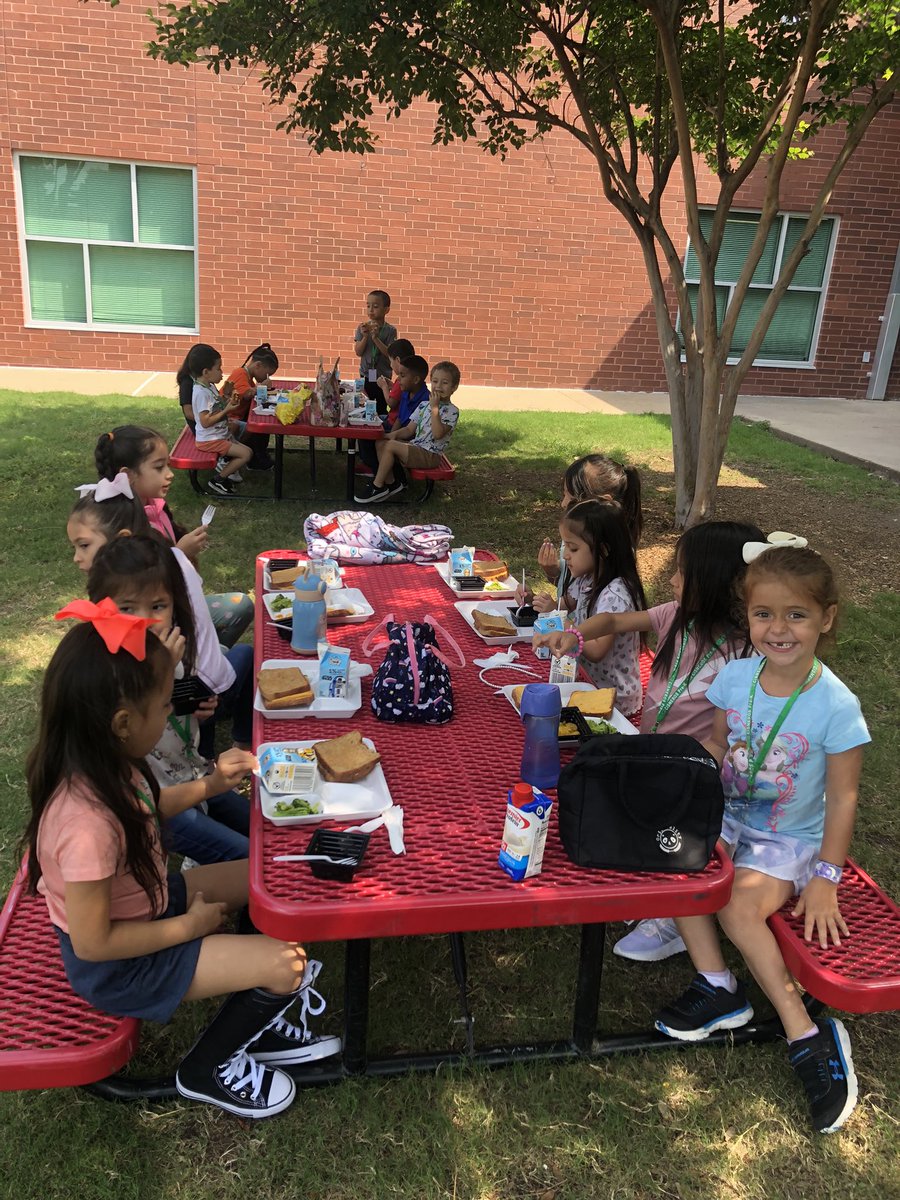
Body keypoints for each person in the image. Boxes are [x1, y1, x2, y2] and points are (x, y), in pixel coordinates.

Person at [21, 602, 341, 1118]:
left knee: (263, 879)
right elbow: (94, 941)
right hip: (121, 966)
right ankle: (206, 1069)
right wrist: (189, 929)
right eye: (164, 706)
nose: (172, 715)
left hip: (147, 905)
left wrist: (212, 783)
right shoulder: (86, 824)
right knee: (289, 964)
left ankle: (255, 1017)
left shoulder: (110, 764)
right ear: (124, 722)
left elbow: (152, 806)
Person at [653, 544, 869, 1135]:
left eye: (796, 615)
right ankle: (719, 987)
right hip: (730, 820)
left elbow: (844, 799)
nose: (779, 629)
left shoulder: (837, 706)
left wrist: (827, 879)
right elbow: (720, 747)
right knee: (676, 861)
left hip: (788, 840)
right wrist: (687, 782)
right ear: (746, 617)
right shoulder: (735, 676)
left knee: (741, 905)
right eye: (764, 615)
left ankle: (806, 1033)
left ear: (826, 619)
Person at [536, 520, 766, 960]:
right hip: (651, 753)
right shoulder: (673, 617)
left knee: (670, 834)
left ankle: (674, 917)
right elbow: (614, 619)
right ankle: (651, 885)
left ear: (718, 582)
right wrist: (577, 634)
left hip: (694, 775)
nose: (672, 580)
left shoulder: (745, 652)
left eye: (683, 572)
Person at [88, 535, 250, 864]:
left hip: (193, 774)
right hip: (152, 803)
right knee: (247, 860)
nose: (146, 619)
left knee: (263, 830)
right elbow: (129, 735)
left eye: (158, 606)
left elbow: (175, 714)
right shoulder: (105, 670)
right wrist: (160, 672)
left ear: (175, 603)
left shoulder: (173, 646)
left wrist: (199, 710)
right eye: (128, 608)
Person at [69, 474, 253, 757]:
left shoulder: (155, 584)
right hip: (170, 720)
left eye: (84, 545)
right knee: (243, 654)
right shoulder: (167, 560)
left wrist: (186, 692)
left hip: (186, 700)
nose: (77, 558)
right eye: (127, 609)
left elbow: (176, 661)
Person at [95, 428, 253, 649]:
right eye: (159, 467)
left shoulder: (155, 507)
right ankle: (197, 663)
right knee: (243, 652)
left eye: (167, 465)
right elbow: (143, 588)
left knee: (242, 604)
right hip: (162, 627)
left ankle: (205, 651)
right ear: (128, 475)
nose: (169, 474)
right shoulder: (125, 529)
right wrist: (180, 553)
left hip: (180, 606)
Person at [555, 499, 646, 716]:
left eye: (573, 548)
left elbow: (596, 650)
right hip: (587, 682)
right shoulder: (587, 577)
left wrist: (568, 625)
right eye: (564, 546)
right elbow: (571, 603)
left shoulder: (615, 595)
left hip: (613, 698)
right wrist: (543, 603)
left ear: (603, 550)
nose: (565, 555)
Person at [525, 454, 644, 613]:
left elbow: (597, 635)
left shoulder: (614, 591)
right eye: (564, 494)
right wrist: (551, 575)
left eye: (572, 498)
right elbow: (573, 594)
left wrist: (556, 615)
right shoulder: (585, 550)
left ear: (602, 503)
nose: (563, 503)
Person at [354, 359, 460, 504]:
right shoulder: (424, 405)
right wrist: (390, 435)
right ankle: (392, 484)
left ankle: (377, 486)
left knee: (390, 446)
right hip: (416, 446)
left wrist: (435, 409)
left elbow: (437, 434)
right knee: (382, 442)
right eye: (435, 381)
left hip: (430, 455)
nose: (438, 386)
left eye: (445, 383)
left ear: (454, 387)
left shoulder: (452, 411)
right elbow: (409, 429)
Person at [182, 343, 253, 496]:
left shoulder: (209, 386)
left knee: (248, 451)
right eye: (219, 368)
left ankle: (225, 468)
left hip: (219, 435)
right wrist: (227, 410)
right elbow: (205, 421)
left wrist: (227, 397)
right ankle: (218, 480)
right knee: (246, 454)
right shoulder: (201, 393)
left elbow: (215, 406)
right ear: (206, 372)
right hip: (209, 440)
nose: (222, 372)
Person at [359, 347, 426, 476]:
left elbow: (411, 431)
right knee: (368, 430)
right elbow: (400, 418)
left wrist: (392, 436)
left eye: (402, 375)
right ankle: (385, 477)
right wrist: (392, 435)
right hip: (400, 430)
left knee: (370, 435)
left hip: (413, 440)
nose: (398, 379)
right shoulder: (407, 392)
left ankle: (376, 471)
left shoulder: (424, 400)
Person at [224, 343, 279, 471]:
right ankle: (254, 459)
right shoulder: (240, 374)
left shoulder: (248, 378)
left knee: (262, 424)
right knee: (259, 427)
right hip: (229, 419)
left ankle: (259, 455)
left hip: (238, 416)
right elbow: (246, 394)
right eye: (267, 374)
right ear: (258, 365)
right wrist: (261, 387)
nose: (268, 377)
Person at [353, 289, 398, 412]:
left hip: (383, 377)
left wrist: (376, 338)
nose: (371, 310)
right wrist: (366, 336)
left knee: (380, 407)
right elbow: (358, 352)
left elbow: (390, 354)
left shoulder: (390, 330)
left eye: (376, 306)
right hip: (366, 374)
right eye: (368, 306)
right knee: (364, 404)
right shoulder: (362, 328)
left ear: (386, 309)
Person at [377, 338, 416, 427]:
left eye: (391, 361)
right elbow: (399, 393)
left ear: (398, 360)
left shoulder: (401, 380)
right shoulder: (408, 378)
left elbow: (391, 403)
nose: (391, 365)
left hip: (393, 422)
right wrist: (391, 385)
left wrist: (384, 387)